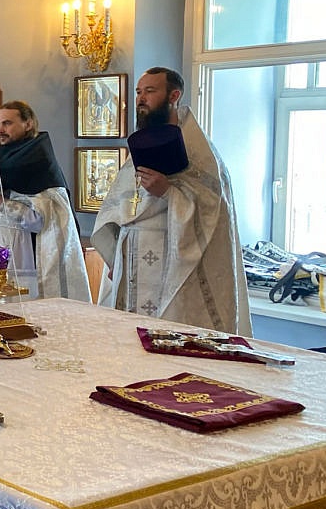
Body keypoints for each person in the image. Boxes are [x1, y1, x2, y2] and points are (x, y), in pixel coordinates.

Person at [91, 67, 251, 334]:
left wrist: (168, 192)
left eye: (150, 91)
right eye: (139, 92)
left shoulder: (201, 152)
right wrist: (113, 257)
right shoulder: (141, 145)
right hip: (130, 260)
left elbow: (213, 211)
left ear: (174, 95)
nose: (141, 99)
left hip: (173, 261)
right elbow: (118, 205)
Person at [0, 101, 92, 301]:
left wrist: (3, 204)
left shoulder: (38, 161)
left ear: (27, 124)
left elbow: (39, 220)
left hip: (21, 256)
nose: (1, 130)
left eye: (7, 123)